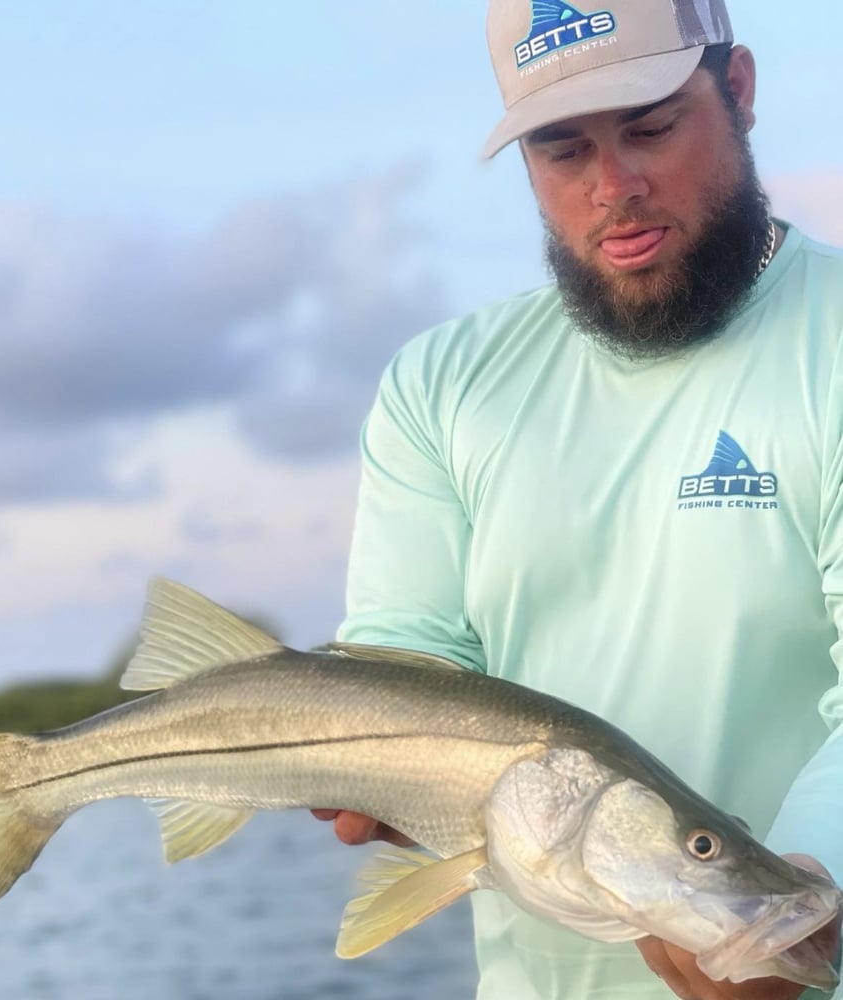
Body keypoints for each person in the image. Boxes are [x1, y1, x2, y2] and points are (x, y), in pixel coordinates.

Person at [312, 0, 843, 997]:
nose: (614, 187)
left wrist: (810, 882)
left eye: (649, 127)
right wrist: (366, 771)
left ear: (736, 92)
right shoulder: (441, 384)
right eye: (561, 151)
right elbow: (404, 661)